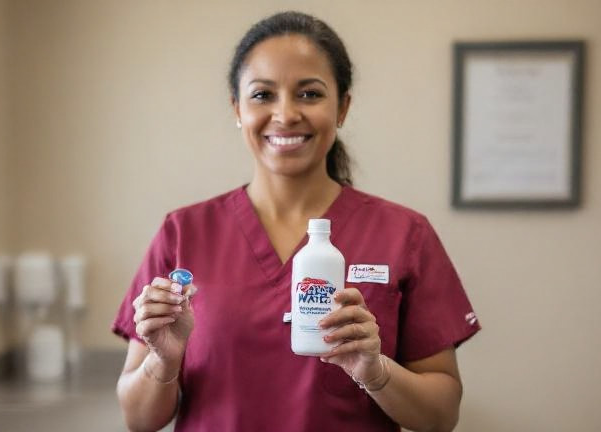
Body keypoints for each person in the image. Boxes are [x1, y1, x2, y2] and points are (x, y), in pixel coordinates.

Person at [112, 11, 480, 432]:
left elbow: (441, 415)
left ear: (342, 107)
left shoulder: (404, 234)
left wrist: (376, 372)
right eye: (262, 95)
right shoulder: (184, 233)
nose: (285, 114)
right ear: (237, 108)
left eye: (309, 94)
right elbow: (139, 420)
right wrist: (165, 358)